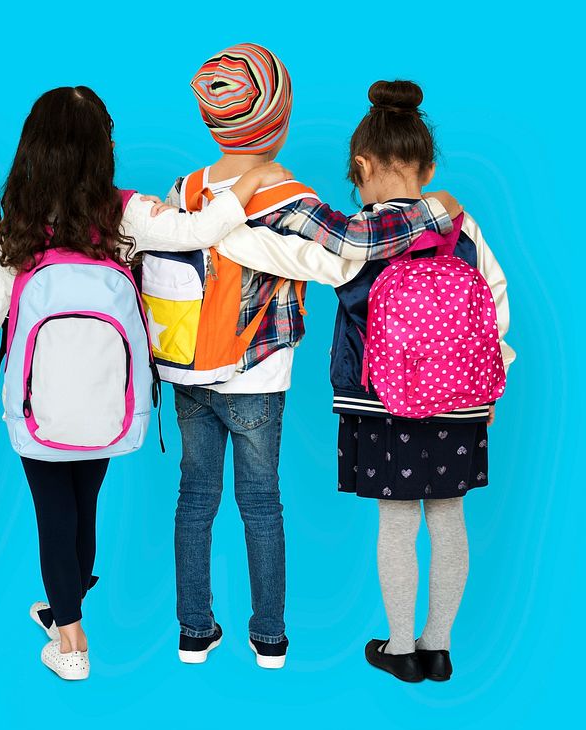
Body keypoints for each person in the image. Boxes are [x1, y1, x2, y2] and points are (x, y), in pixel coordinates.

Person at [0, 85, 294, 681]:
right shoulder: (124, 213)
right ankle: (65, 607)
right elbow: (199, 232)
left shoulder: (15, 228)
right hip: (107, 402)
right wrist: (249, 181)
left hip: (35, 400)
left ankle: (70, 640)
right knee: (83, 504)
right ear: (100, 151)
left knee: (53, 510)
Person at [162, 43, 461, 670]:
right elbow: (348, 253)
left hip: (187, 370)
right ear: (280, 118)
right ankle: (268, 639)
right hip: (255, 371)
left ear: (213, 119)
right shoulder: (289, 195)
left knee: (194, 501)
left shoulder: (183, 191)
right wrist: (431, 211)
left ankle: (194, 634)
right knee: (261, 502)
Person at [213, 79, 514, 682]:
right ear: (427, 167)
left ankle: (399, 649)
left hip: (381, 400)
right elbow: (496, 301)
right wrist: (491, 380)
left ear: (360, 166)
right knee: (448, 518)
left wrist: (221, 228)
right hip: (461, 397)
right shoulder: (457, 224)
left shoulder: (359, 238)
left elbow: (286, 258)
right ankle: (439, 646)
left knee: (398, 524)